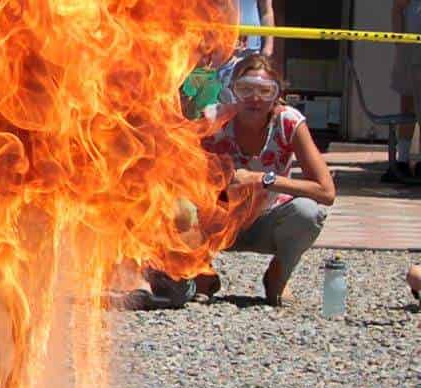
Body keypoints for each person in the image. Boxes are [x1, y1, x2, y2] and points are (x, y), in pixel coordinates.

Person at [143, 54, 336, 308]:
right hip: (218, 217)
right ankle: (203, 273)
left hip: (267, 218)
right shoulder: (215, 120)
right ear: (232, 91)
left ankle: (277, 276)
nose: (254, 99)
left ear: (277, 94)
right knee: (176, 206)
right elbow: (174, 170)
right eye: (245, 89)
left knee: (308, 213)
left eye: (264, 91)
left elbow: (326, 191)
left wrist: (262, 179)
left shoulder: (288, 122)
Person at [387, 0, 421, 183]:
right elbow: (398, 7)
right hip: (411, 53)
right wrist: (400, 43)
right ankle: (402, 159)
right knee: (408, 105)